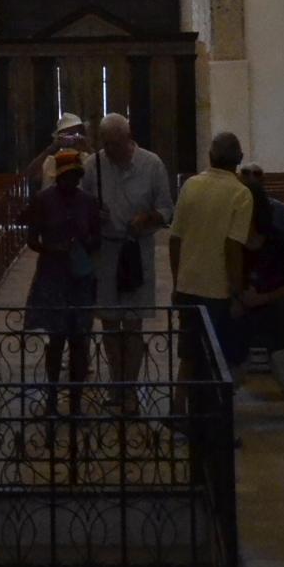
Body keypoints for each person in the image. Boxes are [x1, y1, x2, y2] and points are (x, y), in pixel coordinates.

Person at [86, 113, 171, 393]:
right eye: (106, 144)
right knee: (110, 322)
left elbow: (167, 210)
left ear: (128, 138)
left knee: (133, 323)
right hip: (107, 252)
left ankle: (130, 386)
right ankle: (116, 382)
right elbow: (81, 206)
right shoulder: (94, 165)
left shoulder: (151, 164)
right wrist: (92, 216)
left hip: (136, 251)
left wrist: (147, 218)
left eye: (116, 144)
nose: (110, 150)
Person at [24, 139, 101, 420]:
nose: (71, 180)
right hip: (54, 276)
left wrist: (83, 242)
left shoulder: (88, 202)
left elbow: (96, 239)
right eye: (66, 176)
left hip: (79, 277)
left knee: (80, 341)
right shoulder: (44, 201)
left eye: (75, 176)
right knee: (56, 340)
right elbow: (32, 239)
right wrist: (53, 249)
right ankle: (53, 398)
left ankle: (77, 401)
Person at [168, 129, 254, 373]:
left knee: (189, 354)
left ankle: (181, 406)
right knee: (215, 358)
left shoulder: (191, 186)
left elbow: (175, 239)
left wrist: (177, 282)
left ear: (209, 156)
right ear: (240, 158)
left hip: (188, 282)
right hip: (218, 288)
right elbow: (233, 247)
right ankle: (211, 409)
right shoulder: (241, 193)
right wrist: (236, 293)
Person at [228, 176, 284, 407]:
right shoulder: (232, 242)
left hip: (276, 303)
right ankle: (240, 364)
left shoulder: (279, 240)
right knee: (232, 315)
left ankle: (276, 356)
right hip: (244, 306)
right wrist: (238, 298)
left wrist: (262, 297)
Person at [24, 113, 87, 194]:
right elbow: (28, 177)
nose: (71, 139)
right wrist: (51, 148)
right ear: (58, 137)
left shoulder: (87, 159)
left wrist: (87, 146)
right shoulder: (49, 161)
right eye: (67, 135)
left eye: (75, 134)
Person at [240, 162, 284, 245]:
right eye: (246, 173)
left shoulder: (278, 207)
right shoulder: (277, 206)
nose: (251, 177)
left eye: (256, 174)